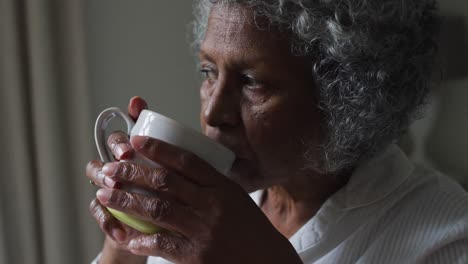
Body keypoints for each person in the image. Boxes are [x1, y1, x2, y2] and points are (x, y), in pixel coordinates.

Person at [86, 0, 468, 263]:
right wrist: (123, 252)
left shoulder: (448, 236)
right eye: (208, 72)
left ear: (347, 96)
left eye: (253, 82)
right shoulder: (191, 204)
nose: (213, 112)